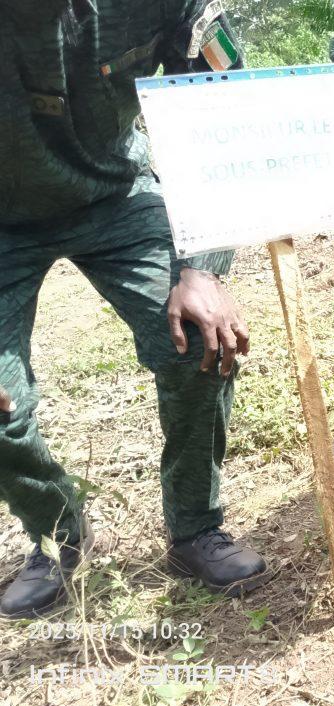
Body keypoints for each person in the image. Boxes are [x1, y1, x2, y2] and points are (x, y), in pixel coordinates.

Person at [0, 0, 269, 619]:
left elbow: (216, 107)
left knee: (203, 337)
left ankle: (195, 526)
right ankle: (55, 532)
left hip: (119, 194)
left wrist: (201, 266)